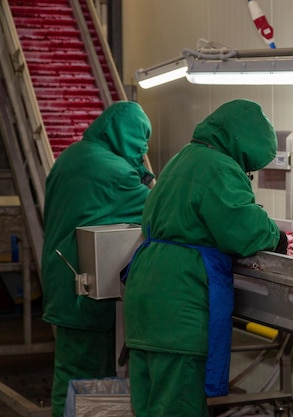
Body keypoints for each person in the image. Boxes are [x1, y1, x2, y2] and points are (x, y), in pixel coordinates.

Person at [123, 99, 288, 417]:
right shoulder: (218, 167)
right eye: (250, 164)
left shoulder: (183, 158)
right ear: (244, 145)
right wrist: (277, 236)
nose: (249, 171)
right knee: (178, 404)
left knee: (149, 405)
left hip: (147, 298)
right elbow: (243, 228)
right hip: (180, 301)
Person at [41, 101, 153, 417]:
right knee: (89, 378)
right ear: (126, 135)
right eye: (141, 139)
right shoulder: (113, 171)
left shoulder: (73, 156)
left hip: (62, 276)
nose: (143, 148)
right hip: (86, 291)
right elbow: (159, 209)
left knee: (71, 372)